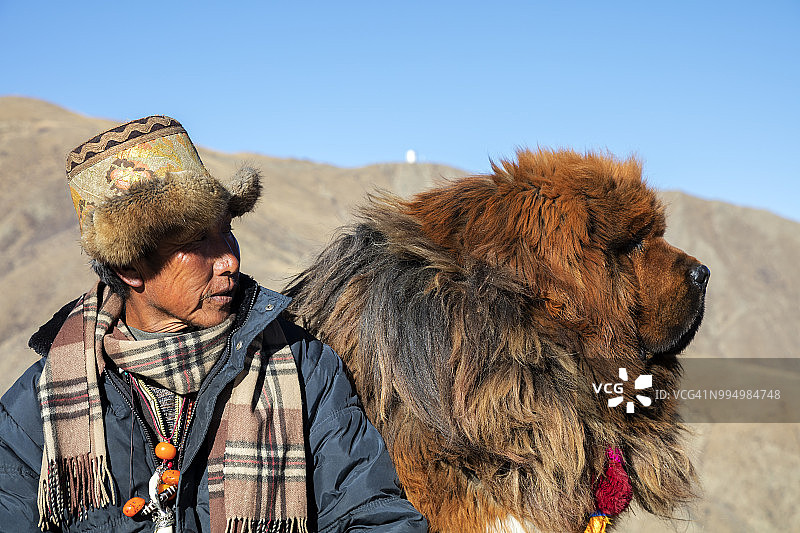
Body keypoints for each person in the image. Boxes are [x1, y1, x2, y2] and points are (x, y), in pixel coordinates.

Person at [0, 116, 428, 533]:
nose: (229, 260)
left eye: (226, 232)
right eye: (194, 243)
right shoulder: (35, 408)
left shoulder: (304, 366)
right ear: (131, 266)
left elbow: (373, 514)